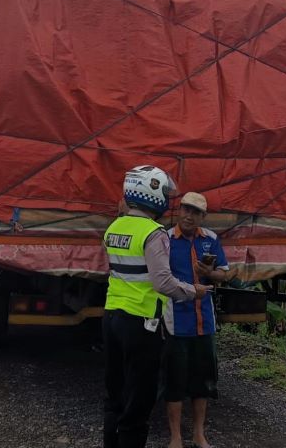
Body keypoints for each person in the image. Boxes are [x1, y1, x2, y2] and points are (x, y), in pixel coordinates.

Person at [103, 165, 212, 448]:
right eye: (164, 193)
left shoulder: (114, 227)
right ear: (152, 194)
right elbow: (163, 283)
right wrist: (194, 291)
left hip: (111, 318)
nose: (167, 199)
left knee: (115, 393)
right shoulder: (154, 233)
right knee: (139, 400)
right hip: (141, 324)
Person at [163, 191, 236, 448]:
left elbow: (224, 275)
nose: (189, 215)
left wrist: (210, 273)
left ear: (203, 216)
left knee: (202, 382)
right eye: (185, 209)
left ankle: (198, 435)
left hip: (204, 322)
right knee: (174, 382)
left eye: (195, 212)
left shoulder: (211, 240)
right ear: (179, 210)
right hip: (175, 321)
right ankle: (175, 438)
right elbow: (160, 279)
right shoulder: (166, 239)